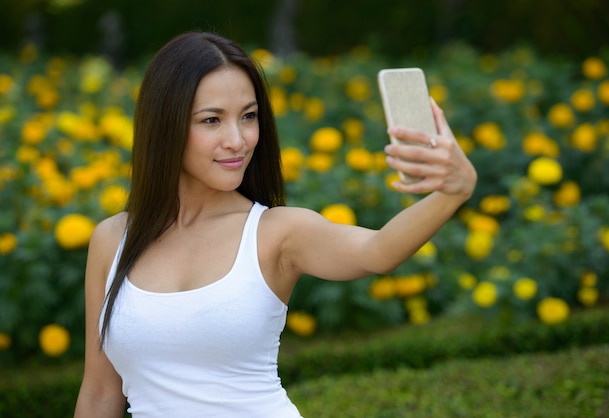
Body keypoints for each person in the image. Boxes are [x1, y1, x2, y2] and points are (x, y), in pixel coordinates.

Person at [73, 31, 477, 418]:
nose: (238, 139)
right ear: (165, 126)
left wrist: (453, 192)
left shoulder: (275, 233)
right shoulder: (112, 241)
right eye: (212, 120)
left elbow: (377, 252)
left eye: (248, 116)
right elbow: (99, 392)